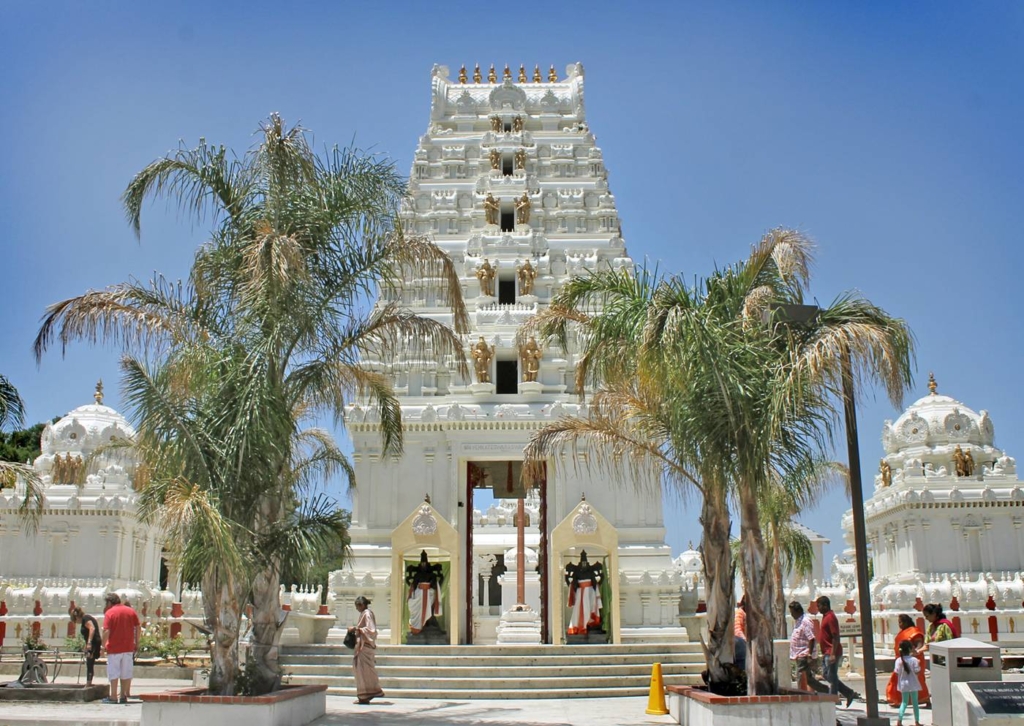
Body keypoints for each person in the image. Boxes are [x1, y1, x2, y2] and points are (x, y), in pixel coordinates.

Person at [815, 596, 860, 707]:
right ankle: (848, 692)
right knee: (827, 675)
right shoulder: (825, 617)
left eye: (819, 606)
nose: (818, 608)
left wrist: (833, 653)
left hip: (831, 651)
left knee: (832, 676)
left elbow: (835, 636)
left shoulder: (830, 617)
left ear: (825, 605)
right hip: (826, 651)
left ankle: (833, 700)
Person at [100, 593, 140, 704]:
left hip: (114, 648)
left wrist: (102, 647)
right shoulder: (130, 611)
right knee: (125, 672)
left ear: (109, 602)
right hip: (128, 647)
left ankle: (113, 696)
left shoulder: (110, 613)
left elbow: (106, 630)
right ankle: (123, 695)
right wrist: (137, 642)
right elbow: (138, 626)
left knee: (114, 672)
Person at [886, 614, 930, 707]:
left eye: (901, 622)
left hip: (914, 659)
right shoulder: (903, 632)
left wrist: (916, 652)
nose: (899, 625)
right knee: (897, 679)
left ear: (906, 622)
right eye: (899, 623)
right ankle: (897, 700)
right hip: (902, 659)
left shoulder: (914, 631)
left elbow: (919, 643)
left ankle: (924, 699)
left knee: (918, 680)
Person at [789, 601, 829, 694]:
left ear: (797, 611)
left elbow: (811, 638)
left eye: (792, 613)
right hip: (798, 653)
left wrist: (809, 654)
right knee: (808, 679)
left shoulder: (805, 621)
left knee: (801, 676)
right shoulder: (798, 621)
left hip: (804, 654)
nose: (791, 615)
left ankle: (801, 694)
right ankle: (826, 690)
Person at [352, 595, 384, 704]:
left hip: (365, 646)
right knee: (362, 671)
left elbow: (371, 630)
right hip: (362, 647)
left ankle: (366, 694)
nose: (357, 608)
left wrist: (357, 629)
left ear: (362, 605)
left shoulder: (367, 614)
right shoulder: (363, 614)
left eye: (358, 606)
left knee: (364, 671)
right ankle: (365, 694)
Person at [565, 550, 604, 635]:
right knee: (579, 609)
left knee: (590, 608)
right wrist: (574, 586)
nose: (583, 564)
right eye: (582, 563)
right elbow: (573, 581)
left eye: (584, 562)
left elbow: (595, 581)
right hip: (580, 593)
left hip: (590, 592)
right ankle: (580, 627)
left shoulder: (590, 571)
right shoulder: (577, 571)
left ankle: (589, 625)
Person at [406, 550, 444, 635]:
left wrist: (427, 588)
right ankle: (417, 625)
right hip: (419, 593)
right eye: (422, 564)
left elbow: (434, 586)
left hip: (429, 593)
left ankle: (429, 621)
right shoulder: (417, 575)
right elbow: (414, 586)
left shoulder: (432, 575)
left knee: (428, 601)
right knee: (413, 603)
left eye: (425, 564)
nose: (423, 565)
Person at [69, 605, 102, 685]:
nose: (76, 622)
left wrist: (89, 643)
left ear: (77, 617)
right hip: (92, 643)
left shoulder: (85, 619)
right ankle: (88, 682)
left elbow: (92, 628)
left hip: (93, 643)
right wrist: (86, 644)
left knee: (90, 663)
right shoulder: (86, 618)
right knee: (89, 663)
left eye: (75, 620)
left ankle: (88, 683)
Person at [894, 639, 923, 726]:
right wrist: (919, 664)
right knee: (915, 703)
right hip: (913, 684)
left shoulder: (898, 660)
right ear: (910, 649)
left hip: (903, 684)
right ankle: (917, 721)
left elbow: (896, 672)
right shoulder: (914, 660)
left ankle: (899, 720)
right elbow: (917, 671)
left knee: (904, 702)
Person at [733, 595, 747, 671]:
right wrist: (745, 641)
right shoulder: (740, 613)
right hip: (739, 642)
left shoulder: (744, 613)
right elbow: (737, 629)